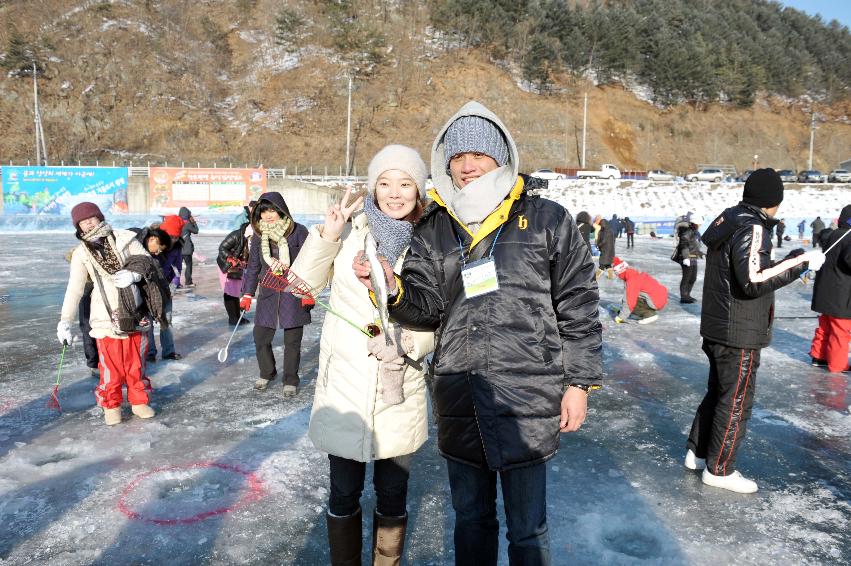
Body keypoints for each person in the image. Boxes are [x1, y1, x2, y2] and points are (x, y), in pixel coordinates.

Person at [353, 101, 602, 564]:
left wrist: (578, 384)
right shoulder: (434, 227)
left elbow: (579, 307)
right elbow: (426, 309)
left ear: (501, 157)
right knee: (471, 520)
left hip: (527, 398)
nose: (467, 166)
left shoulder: (547, 219)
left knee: (528, 532)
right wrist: (390, 287)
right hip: (460, 394)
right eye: (458, 156)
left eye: (479, 155)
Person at [290, 145, 435, 564]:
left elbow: (441, 319)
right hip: (346, 389)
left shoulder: (429, 241)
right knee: (343, 492)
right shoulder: (352, 231)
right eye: (385, 183)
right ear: (373, 188)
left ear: (418, 189)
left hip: (399, 390)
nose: (394, 193)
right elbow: (300, 288)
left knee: (393, 497)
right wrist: (328, 235)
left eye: (405, 183)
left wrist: (408, 343)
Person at [685, 169, 825, 493]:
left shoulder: (731, 219)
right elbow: (754, 280)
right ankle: (719, 469)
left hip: (720, 325)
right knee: (735, 400)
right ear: (771, 202)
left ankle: (698, 451)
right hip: (739, 331)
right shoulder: (753, 226)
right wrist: (801, 262)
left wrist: (794, 257)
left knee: (719, 393)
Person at [58, 202, 156, 425]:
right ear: (78, 227)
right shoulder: (81, 253)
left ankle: (139, 401)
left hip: (133, 310)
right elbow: (74, 289)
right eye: (83, 221)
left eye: (91, 217)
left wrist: (134, 275)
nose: (88, 223)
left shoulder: (123, 238)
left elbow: (148, 263)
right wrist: (65, 321)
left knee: (136, 363)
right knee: (110, 367)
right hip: (105, 316)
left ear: (99, 217)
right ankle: (111, 405)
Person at [240, 192, 312, 398]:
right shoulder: (258, 235)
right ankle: (267, 372)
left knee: (292, 341)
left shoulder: (298, 231)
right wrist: (247, 294)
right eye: (263, 211)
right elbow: (253, 266)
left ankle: (290, 380)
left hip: (293, 291)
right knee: (260, 337)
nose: (268, 215)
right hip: (269, 293)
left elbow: (311, 263)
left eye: (272, 209)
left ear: (281, 209)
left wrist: (308, 291)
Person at [809, 205, 851, 373]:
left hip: (824, 292)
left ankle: (819, 357)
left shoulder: (833, 235)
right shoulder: (849, 237)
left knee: (825, 326)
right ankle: (838, 364)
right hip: (840, 294)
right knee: (841, 330)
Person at [134, 222, 183, 362]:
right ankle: (150, 352)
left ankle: (168, 351)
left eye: (176, 237)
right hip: (147, 288)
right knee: (148, 320)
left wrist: (174, 284)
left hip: (165, 287)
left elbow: (177, 268)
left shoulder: (177, 247)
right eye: (171, 236)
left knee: (166, 319)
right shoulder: (148, 246)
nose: (173, 240)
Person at [217, 205, 253, 326]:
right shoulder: (237, 234)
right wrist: (232, 259)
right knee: (230, 292)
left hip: (241, 266)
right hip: (228, 265)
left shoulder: (256, 238)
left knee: (236, 291)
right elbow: (222, 248)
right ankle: (233, 318)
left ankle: (237, 317)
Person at [611, 257, 668, 324]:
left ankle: (649, 315)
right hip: (659, 298)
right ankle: (640, 314)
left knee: (631, 300)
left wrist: (621, 318)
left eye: (617, 274)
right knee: (633, 297)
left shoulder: (631, 279)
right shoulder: (635, 273)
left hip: (655, 301)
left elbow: (629, 301)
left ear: (620, 272)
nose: (617, 276)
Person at [672, 215, 703, 303]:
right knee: (687, 277)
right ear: (695, 223)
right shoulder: (687, 231)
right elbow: (683, 245)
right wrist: (686, 258)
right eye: (699, 223)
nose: (700, 225)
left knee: (693, 277)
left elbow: (696, 243)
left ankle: (688, 295)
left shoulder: (695, 231)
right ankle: (684, 297)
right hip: (686, 257)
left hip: (693, 256)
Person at [178, 206, 199, 287]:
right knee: (188, 265)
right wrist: (194, 222)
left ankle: (176, 283)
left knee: (177, 266)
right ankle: (188, 282)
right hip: (186, 248)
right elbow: (196, 231)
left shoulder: (177, 222)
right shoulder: (187, 224)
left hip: (178, 248)